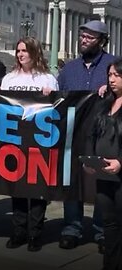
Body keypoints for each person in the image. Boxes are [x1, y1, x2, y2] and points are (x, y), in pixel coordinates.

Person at [58, 20, 116, 253]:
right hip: (73, 134)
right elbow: (58, 98)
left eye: (89, 38)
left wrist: (111, 89)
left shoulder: (114, 65)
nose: (83, 40)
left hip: (104, 135)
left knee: (103, 183)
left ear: (102, 41)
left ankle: (102, 230)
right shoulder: (69, 69)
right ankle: (71, 228)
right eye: (82, 36)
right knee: (71, 181)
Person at [0, 36, 58, 252]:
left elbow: (55, 106)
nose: (20, 55)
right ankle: (18, 230)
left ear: (35, 53)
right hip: (14, 138)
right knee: (17, 187)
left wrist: (50, 96)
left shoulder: (47, 79)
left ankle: (35, 232)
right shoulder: (9, 79)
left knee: (36, 188)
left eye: (25, 51)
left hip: (38, 139)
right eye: (18, 51)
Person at [82, 57, 122, 270]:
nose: (112, 79)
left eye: (117, 75)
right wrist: (89, 159)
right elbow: (91, 135)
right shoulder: (104, 103)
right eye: (110, 75)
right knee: (110, 224)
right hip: (104, 175)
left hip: (120, 175)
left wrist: (120, 162)